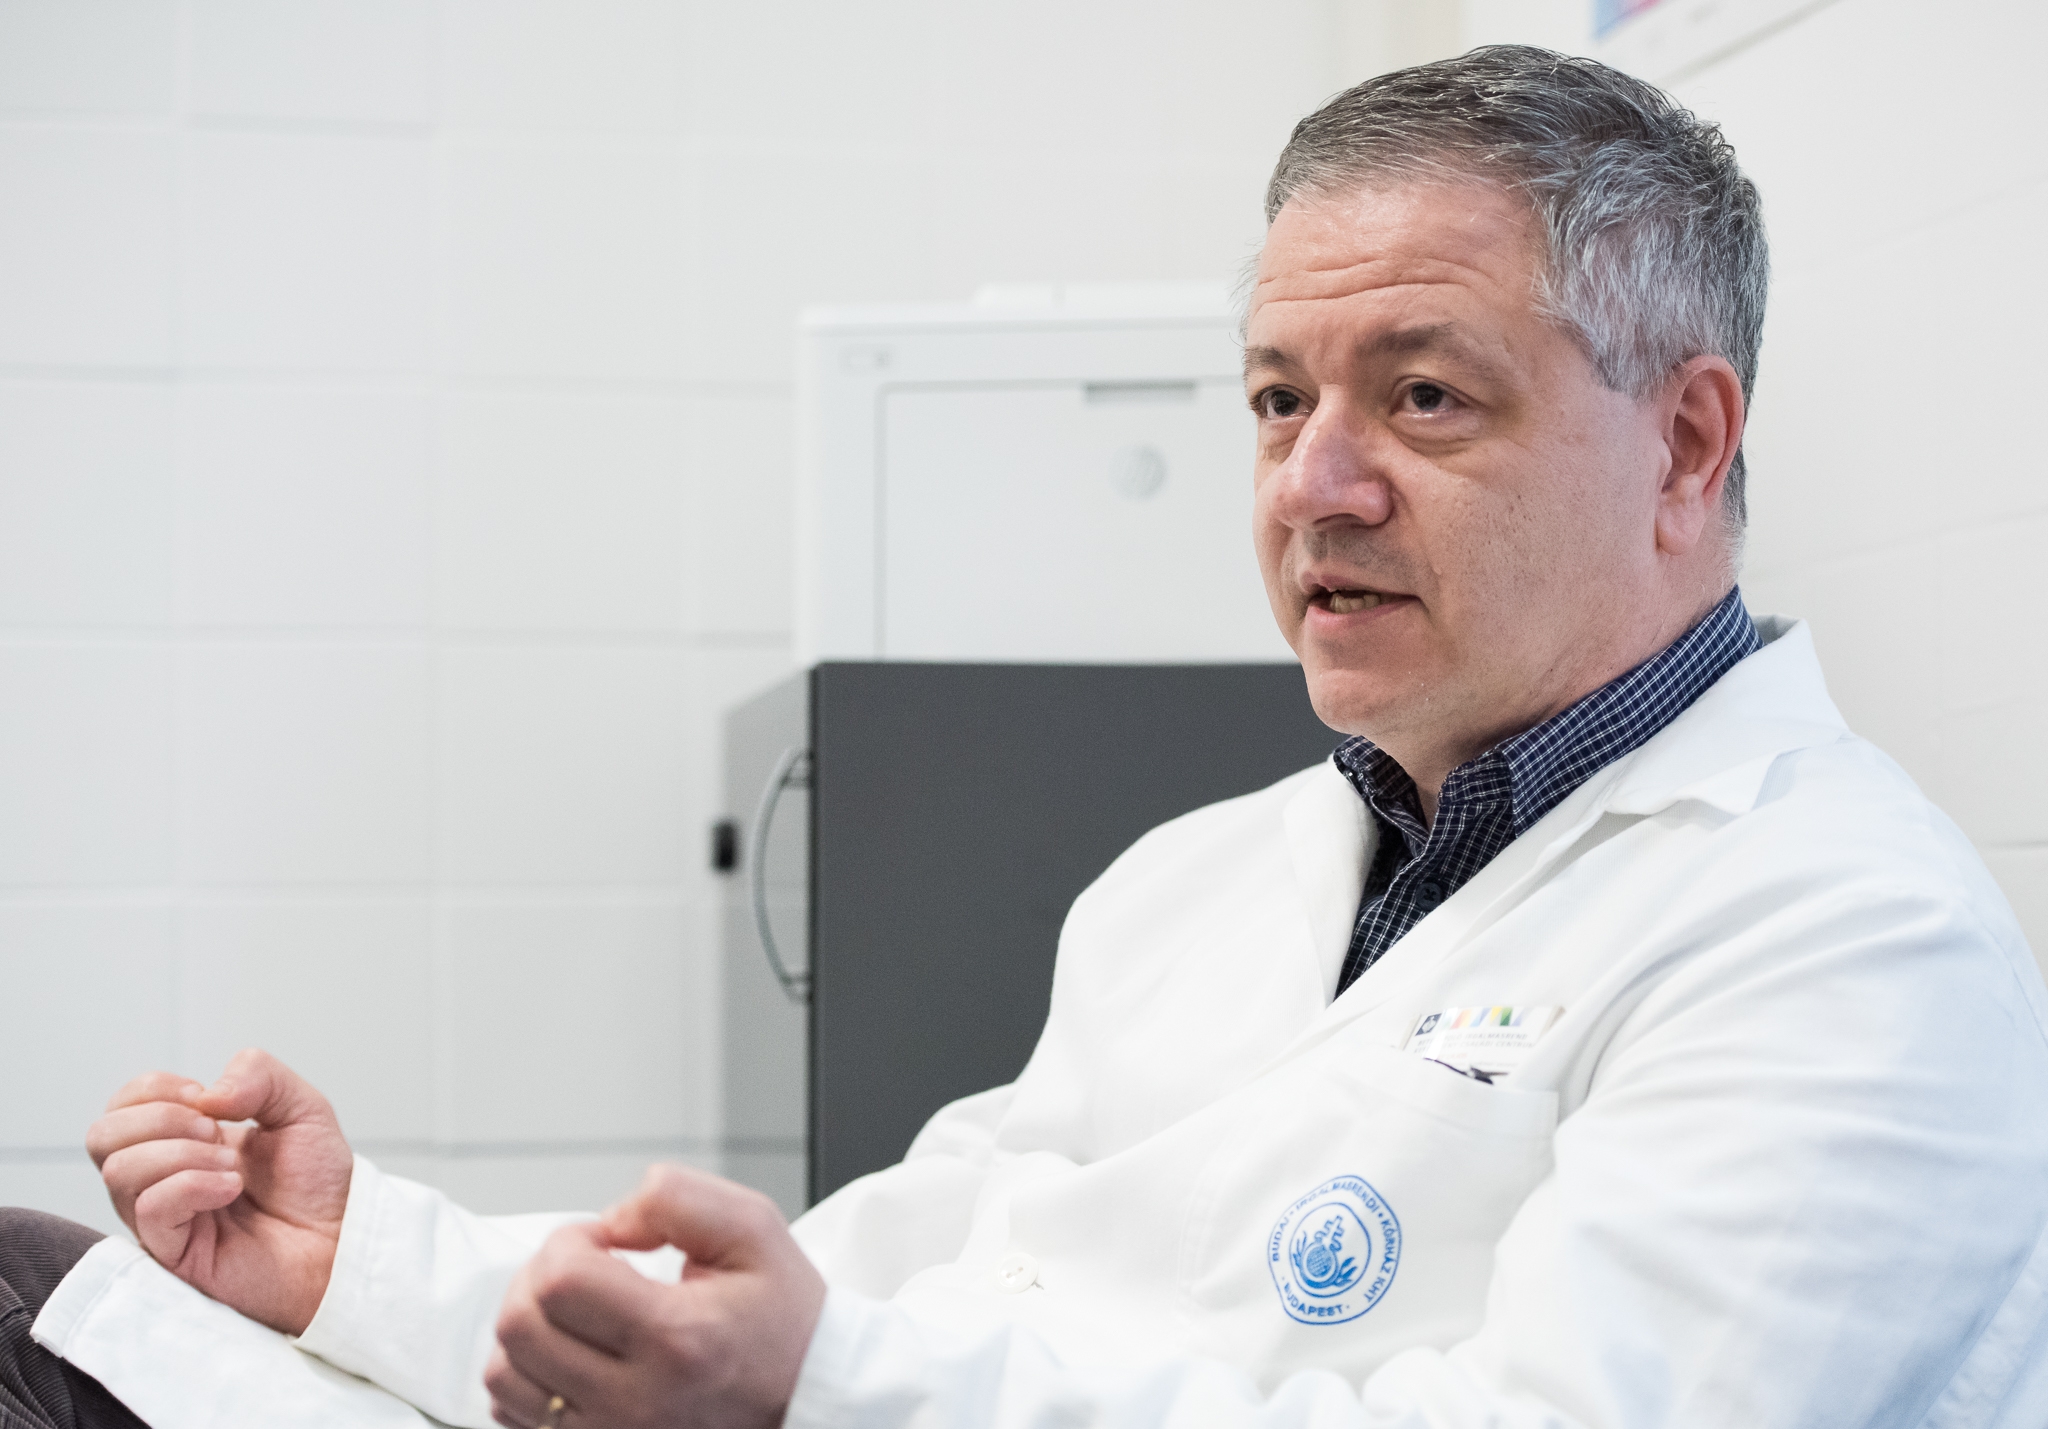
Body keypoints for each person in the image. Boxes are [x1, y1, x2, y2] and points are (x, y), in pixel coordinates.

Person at [7, 44, 2047, 1429]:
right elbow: (864, 1286)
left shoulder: (1841, 942)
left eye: (1423, 396)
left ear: (1684, 443)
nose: (1312, 483)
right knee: (33, 1289)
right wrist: (358, 1262)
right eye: (1277, 398)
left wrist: (825, 1388)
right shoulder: (1200, 881)